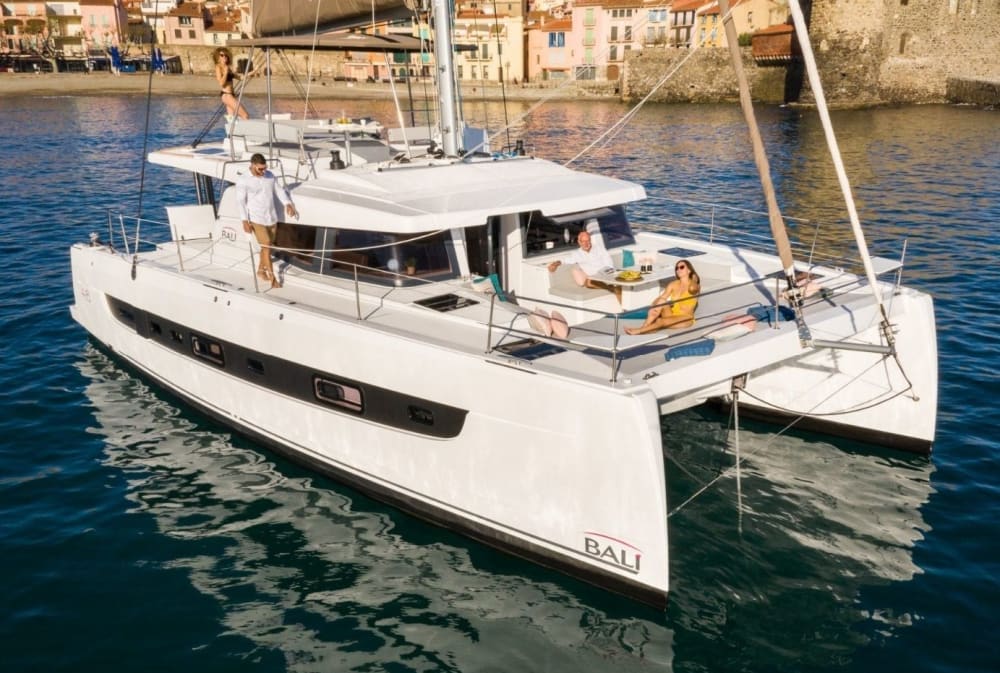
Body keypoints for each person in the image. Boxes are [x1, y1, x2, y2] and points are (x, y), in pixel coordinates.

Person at [236, 153, 297, 288]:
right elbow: (241, 201)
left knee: (266, 248)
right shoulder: (244, 180)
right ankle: (272, 277)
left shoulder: (270, 176)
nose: (263, 171)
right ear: (252, 165)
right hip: (256, 218)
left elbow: (279, 191)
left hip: (271, 216)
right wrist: (244, 220)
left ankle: (260, 270)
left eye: (265, 168)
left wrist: (288, 203)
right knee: (267, 245)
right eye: (260, 169)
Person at [625, 259, 700, 335]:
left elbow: (693, 289)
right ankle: (645, 327)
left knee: (660, 321)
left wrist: (694, 278)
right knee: (661, 301)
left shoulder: (694, 285)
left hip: (685, 318)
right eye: (677, 268)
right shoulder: (673, 284)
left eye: (682, 267)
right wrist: (653, 306)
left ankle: (640, 331)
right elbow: (661, 297)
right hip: (671, 315)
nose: (678, 269)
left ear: (689, 270)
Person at [547, 227, 621, 303]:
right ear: (579, 242)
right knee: (591, 282)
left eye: (587, 241)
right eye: (583, 241)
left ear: (590, 240)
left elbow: (609, 263)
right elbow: (564, 260)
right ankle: (613, 292)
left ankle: (619, 300)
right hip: (594, 279)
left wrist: (608, 274)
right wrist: (555, 264)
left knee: (620, 284)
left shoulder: (599, 248)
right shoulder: (577, 254)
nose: (586, 243)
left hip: (606, 274)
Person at [214, 47, 250, 119]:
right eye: (222, 55)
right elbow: (221, 83)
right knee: (245, 115)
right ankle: (247, 130)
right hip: (226, 95)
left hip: (231, 95)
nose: (224, 56)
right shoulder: (218, 67)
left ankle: (235, 130)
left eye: (226, 55)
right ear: (218, 57)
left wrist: (251, 73)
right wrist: (226, 72)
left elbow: (240, 78)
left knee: (232, 118)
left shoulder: (228, 67)